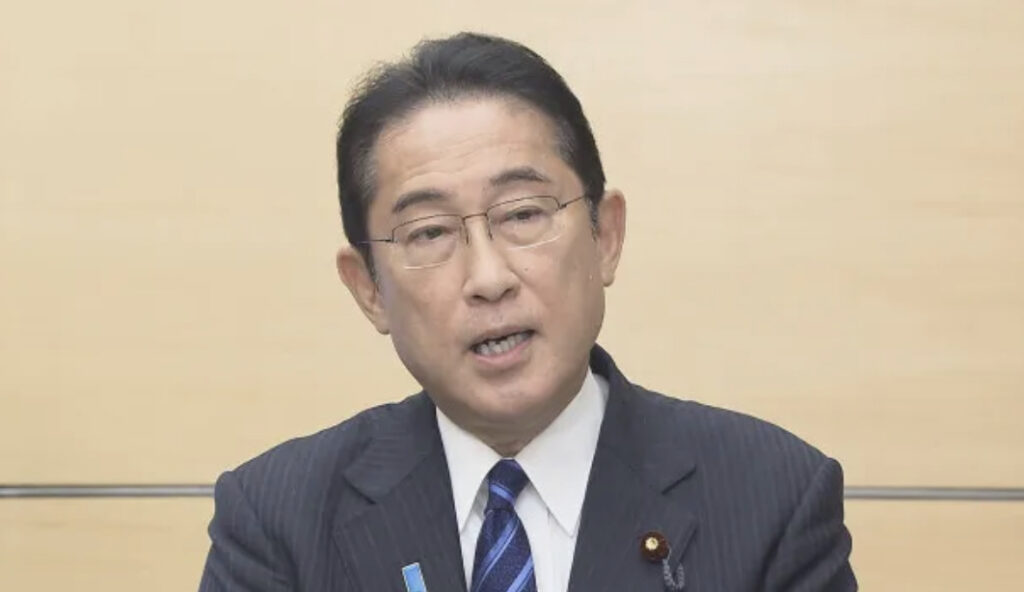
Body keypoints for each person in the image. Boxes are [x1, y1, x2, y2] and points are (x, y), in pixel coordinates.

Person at [199, 32, 856, 592]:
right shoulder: (278, 521)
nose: (488, 278)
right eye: (430, 232)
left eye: (522, 215)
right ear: (368, 288)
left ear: (605, 235)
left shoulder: (771, 497)